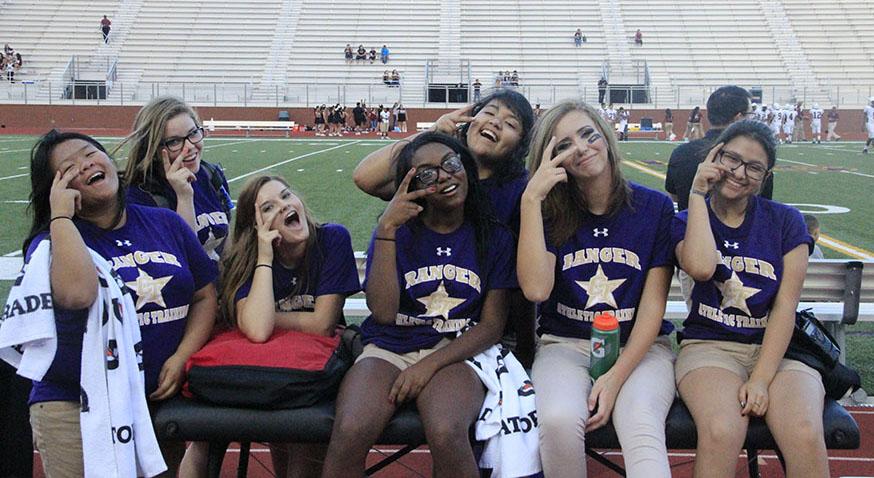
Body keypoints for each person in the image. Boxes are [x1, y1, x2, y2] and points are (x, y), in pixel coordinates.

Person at [23, 130, 217, 477]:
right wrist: (62, 218)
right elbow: (79, 294)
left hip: (153, 400)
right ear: (55, 189)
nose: (85, 165)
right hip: (75, 406)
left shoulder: (165, 222)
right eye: (69, 168)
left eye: (90, 154)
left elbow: (204, 294)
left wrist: (182, 356)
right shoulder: (51, 242)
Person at [322, 132, 517, 477]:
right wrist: (386, 228)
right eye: (426, 174)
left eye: (451, 164)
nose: (443, 176)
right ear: (410, 185)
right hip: (389, 347)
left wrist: (425, 367)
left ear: (466, 168)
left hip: (457, 349)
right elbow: (382, 313)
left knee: (446, 431)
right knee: (349, 430)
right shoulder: (396, 231)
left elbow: (491, 326)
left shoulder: (493, 235)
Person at [519, 100, 675, 477]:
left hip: (640, 347)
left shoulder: (653, 207)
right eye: (564, 145)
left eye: (588, 135)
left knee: (640, 420)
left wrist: (615, 376)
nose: (582, 148)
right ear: (549, 160)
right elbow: (537, 290)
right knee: (556, 421)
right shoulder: (548, 211)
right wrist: (531, 198)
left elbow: (652, 308)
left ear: (606, 136)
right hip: (565, 344)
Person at [672, 120, 827, 477]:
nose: (740, 173)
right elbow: (700, 267)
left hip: (778, 349)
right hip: (710, 347)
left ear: (766, 175)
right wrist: (696, 193)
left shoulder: (786, 221)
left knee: (804, 431)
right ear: (715, 155)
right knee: (723, 428)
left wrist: (760, 378)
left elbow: (786, 305)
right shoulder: (687, 219)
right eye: (731, 159)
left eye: (754, 167)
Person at [181, 175, 360, 478]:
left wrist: (251, 315)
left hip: (305, 374)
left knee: (301, 440)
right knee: (203, 440)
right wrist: (265, 257)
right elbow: (260, 332)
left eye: (287, 196)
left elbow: (321, 323)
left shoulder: (332, 240)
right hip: (258, 371)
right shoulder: (246, 259)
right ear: (256, 228)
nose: (284, 206)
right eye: (268, 207)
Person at [353, 89, 537, 363]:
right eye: (489, 112)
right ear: (470, 119)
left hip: (482, 331)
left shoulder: (523, 191)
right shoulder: (431, 176)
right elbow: (364, 177)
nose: (496, 122)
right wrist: (432, 133)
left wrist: (525, 350)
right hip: (414, 322)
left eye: (511, 123)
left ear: (521, 143)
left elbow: (523, 287)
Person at [118, 96, 233, 265]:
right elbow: (185, 260)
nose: (190, 147)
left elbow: (227, 239)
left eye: (193, 133)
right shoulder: (139, 197)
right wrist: (184, 196)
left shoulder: (210, 175)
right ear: (154, 149)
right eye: (174, 141)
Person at [666, 86, 771, 213]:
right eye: (749, 114)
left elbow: (675, 197)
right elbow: (763, 204)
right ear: (738, 118)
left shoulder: (680, 153)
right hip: (743, 231)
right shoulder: (756, 157)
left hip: (687, 227)